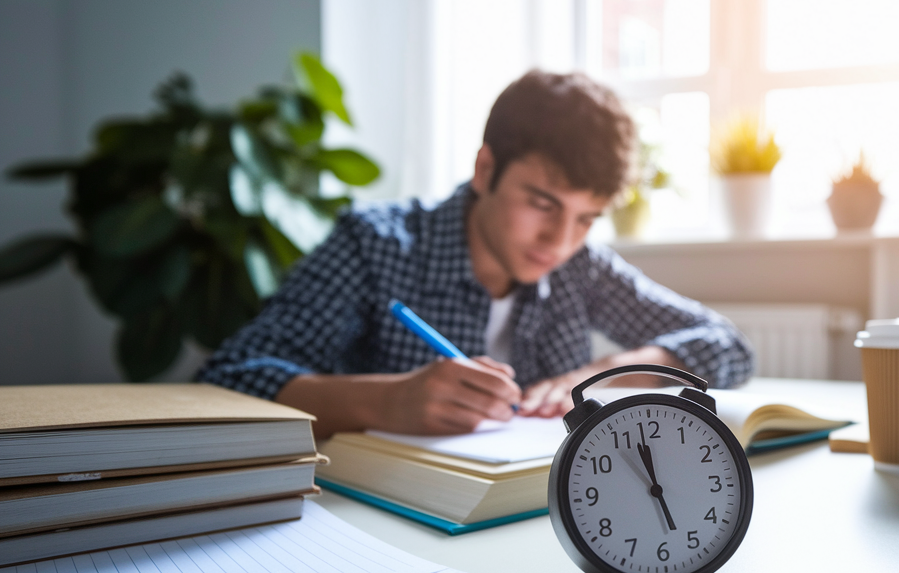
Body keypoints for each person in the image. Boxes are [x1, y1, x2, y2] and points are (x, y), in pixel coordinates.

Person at [198, 70, 753, 439]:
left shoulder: (582, 266)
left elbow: (728, 346)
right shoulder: (375, 244)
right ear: (485, 170)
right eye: (542, 204)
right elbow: (225, 382)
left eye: (586, 218)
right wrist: (383, 403)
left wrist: (623, 368)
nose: (559, 241)